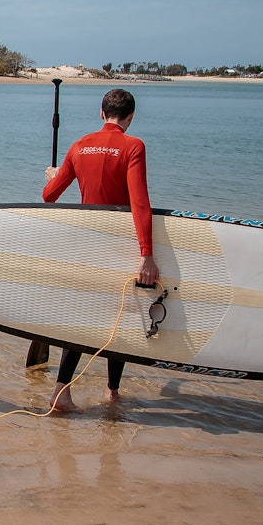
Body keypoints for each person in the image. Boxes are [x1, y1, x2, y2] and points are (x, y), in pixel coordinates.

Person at [42, 88, 159, 413]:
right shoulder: (133, 146)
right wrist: (146, 253)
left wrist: (53, 176)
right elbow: (139, 202)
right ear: (131, 117)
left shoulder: (79, 144)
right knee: (119, 318)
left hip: (85, 245)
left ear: (101, 113)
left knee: (82, 318)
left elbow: (49, 196)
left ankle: (65, 391)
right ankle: (109, 393)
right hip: (119, 244)